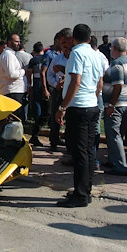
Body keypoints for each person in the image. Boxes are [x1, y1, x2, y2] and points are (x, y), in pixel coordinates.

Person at [54, 24, 103, 208]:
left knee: (80, 153)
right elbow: (99, 82)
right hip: (91, 105)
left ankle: (80, 194)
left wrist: (62, 106)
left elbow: (75, 80)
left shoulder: (76, 53)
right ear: (89, 39)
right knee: (89, 151)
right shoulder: (95, 54)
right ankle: (85, 190)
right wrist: (93, 98)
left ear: (74, 38)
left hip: (79, 107)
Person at [102, 37, 127, 176]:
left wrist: (111, 104)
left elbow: (118, 85)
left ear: (114, 49)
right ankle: (113, 160)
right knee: (118, 134)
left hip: (117, 103)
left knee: (113, 134)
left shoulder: (116, 64)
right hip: (126, 102)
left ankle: (120, 166)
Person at [44, 28, 73, 152]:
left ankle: (69, 143)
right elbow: (49, 74)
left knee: (70, 118)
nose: (64, 48)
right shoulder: (57, 58)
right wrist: (56, 84)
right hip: (58, 91)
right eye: (62, 45)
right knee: (55, 116)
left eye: (66, 45)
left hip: (70, 92)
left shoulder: (74, 58)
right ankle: (53, 142)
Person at [90, 36, 109, 170]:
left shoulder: (95, 57)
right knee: (95, 127)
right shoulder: (103, 57)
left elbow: (101, 80)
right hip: (97, 95)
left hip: (94, 96)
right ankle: (93, 158)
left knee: (93, 128)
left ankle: (94, 158)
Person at [0, 34, 26, 118]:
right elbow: (11, 74)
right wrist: (23, 71)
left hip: (15, 91)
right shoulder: (8, 55)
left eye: (19, 42)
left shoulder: (11, 54)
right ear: (9, 42)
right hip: (12, 92)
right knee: (15, 120)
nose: (18, 43)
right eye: (16, 41)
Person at [26, 42, 49, 146]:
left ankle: (37, 124)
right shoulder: (46, 57)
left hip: (35, 83)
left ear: (34, 51)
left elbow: (29, 73)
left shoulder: (32, 60)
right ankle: (40, 126)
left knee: (37, 105)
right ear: (42, 49)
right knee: (46, 107)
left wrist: (29, 85)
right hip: (45, 83)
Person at [15, 42, 33, 122]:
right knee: (25, 102)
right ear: (24, 47)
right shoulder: (28, 56)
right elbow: (30, 71)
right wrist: (30, 84)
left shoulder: (13, 55)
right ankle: (24, 120)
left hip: (15, 84)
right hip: (25, 83)